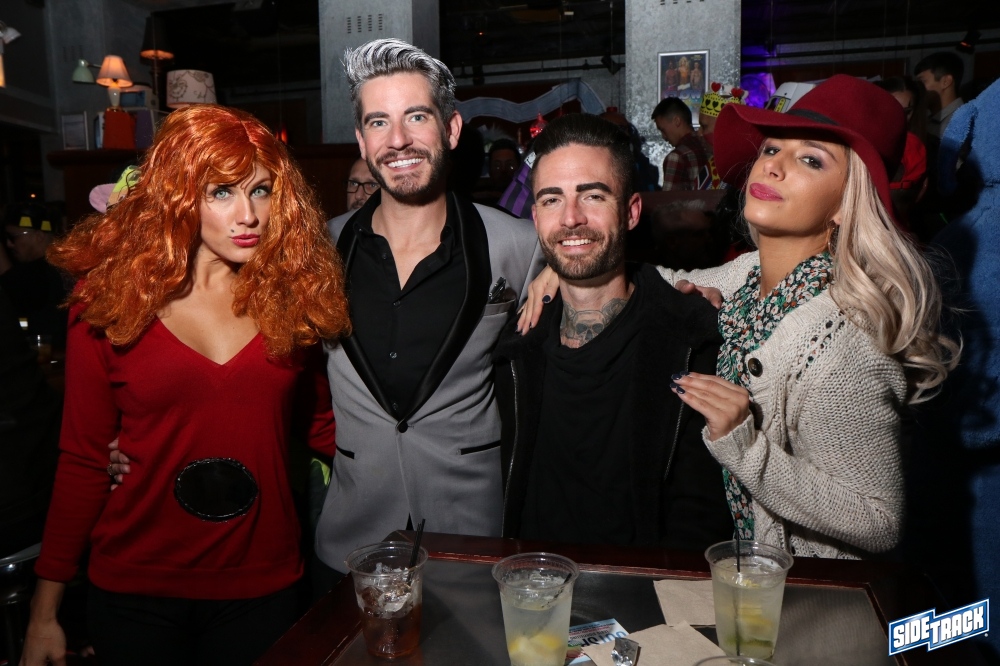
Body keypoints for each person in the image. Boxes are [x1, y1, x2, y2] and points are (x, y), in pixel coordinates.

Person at [520, 75, 959, 559]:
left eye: (811, 159)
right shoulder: (746, 276)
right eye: (771, 149)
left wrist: (745, 446)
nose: (774, 166)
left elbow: (879, 521)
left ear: (845, 203)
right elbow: (659, 278)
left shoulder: (844, 339)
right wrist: (564, 262)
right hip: (733, 570)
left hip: (803, 589)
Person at [21, 105, 352, 666]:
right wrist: (44, 611)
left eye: (262, 191)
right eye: (222, 192)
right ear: (180, 195)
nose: (249, 215)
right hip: (137, 586)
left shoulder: (288, 299)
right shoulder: (108, 302)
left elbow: (323, 426)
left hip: (262, 583)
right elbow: (81, 459)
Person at [316, 38, 543, 588]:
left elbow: (605, 287)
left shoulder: (520, 244)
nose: (398, 140)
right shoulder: (317, 249)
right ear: (362, 140)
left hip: (472, 536)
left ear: (451, 129)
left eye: (416, 116)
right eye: (379, 122)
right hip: (352, 540)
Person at [493, 114, 731, 549]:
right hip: (532, 580)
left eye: (593, 196)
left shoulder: (691, 339)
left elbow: (702, 515)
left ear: (631, 211)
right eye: (552, 199)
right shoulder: (514, 347)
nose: (571, 218)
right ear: (536, 217)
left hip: (650, 586)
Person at [1, 203, 68, 348]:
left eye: (13, 237)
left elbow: (11, 286)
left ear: (38, 236)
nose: (9, 244)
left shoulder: (43, 272)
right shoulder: (61, 264)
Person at [651, 97, 712, 191]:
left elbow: (669, 198)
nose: (664, 136)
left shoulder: (676, 157)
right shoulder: (709, 147)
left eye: (662, 130)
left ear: (677, 121)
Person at [914, 51, 964, 142]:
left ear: (946, 82)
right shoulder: (930, 120)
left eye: (922, 82)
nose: (917, 88)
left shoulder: (961, 123)